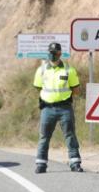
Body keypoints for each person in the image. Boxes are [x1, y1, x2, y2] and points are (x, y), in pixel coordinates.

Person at [33, 42, 83, 174]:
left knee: (70, 135)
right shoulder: (41, 70)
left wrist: (63, 96)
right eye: (50, 53)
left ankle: (75, 163)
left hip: (65, 108)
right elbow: (38, 87)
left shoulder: (69, 70)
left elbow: (76, 90)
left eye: (54, 53)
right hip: (47, 109)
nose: (52, 55)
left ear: (60, 54)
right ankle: (41, 164)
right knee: (44, 137)